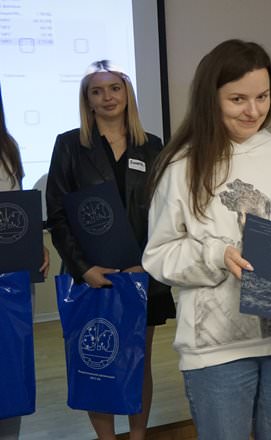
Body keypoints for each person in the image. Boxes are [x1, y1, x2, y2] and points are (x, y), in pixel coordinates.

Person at [142, 39, 271, 440]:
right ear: (210, 98)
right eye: (238, 99)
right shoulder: (183, 164)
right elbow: (159, 254)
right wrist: (216, 254)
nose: (253, 110)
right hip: (216, 346)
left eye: (262, 97)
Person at [45, 61, 176, 440]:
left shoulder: (152, 146)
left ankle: (138, 437)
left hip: (142, 275)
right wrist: (83, 268)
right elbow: (57, 214)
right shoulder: (69, 145)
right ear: (87, 100)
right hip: (92, 275)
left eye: (115, 88)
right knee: (96, 363)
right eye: (97, 91)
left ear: (127, 94)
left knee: (138, 361)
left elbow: (167, 211)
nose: (107, 97)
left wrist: (148, 263)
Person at [0, 84, 49, 440]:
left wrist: (35, 244)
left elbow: (18, 209)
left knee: (11, 370)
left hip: (12, 279)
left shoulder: (8, 146)